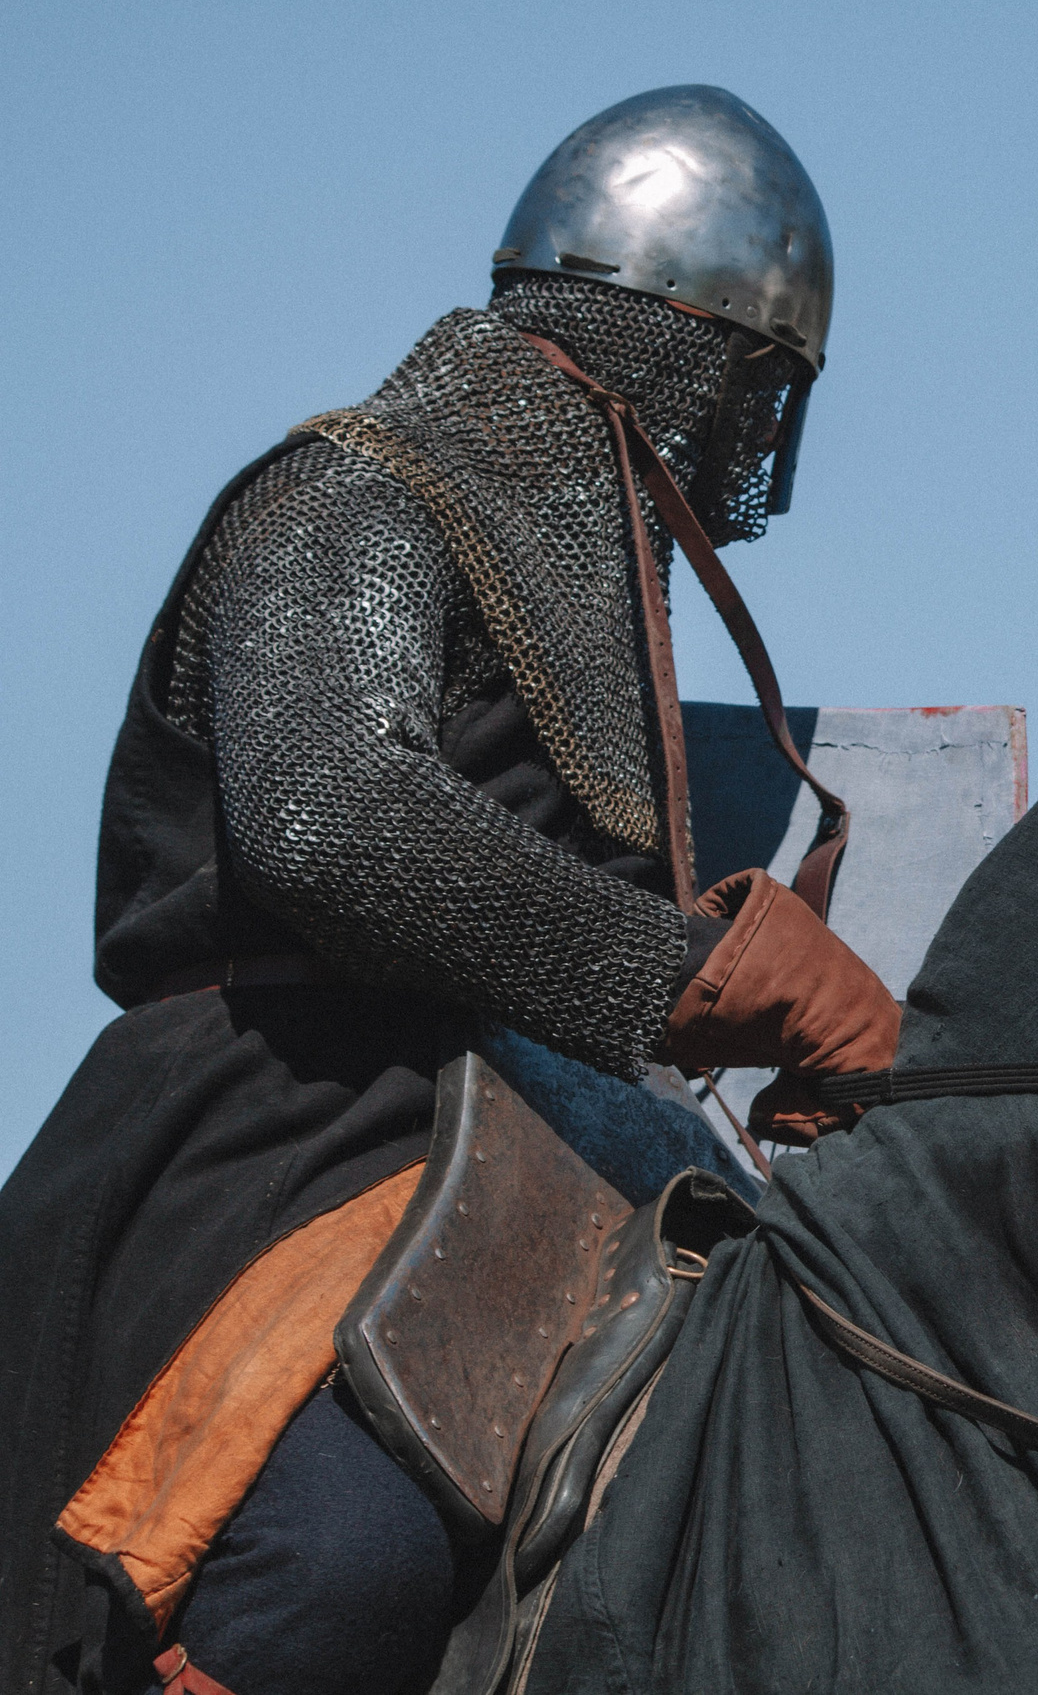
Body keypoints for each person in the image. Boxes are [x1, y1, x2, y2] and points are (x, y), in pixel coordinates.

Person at [0, 85, 898, 1695]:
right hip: (290, 1128)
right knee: (339, 1552)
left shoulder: (601, 584)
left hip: (554, 1147)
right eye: (748, 392)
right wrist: (703, 985)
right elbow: (339, 821)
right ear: (675, 344)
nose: (747, 442)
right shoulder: (353, 493)